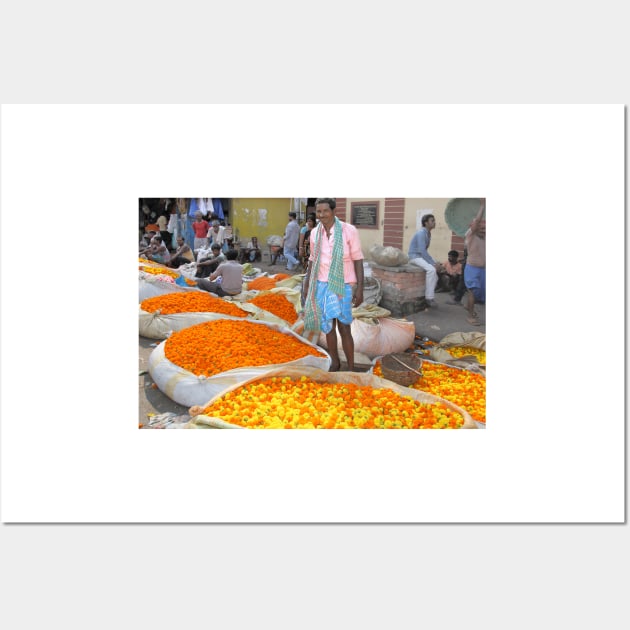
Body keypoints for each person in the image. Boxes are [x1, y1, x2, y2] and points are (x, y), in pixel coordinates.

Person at [302, 198, 365, 372]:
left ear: (334, 211)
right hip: (322, 284)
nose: (322, 215)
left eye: (325, 211)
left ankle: (351, 367)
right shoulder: (315, 233)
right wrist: (308, 282)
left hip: (343, 285)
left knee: (344, 327)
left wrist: (360, 289)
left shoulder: (348, 231)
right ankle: (335, 362)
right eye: (319, 212)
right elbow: (313, 260)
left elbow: (358, 259)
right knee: (328, 327)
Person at [408, 213, 439, 308]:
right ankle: (429, 298)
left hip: (420, 256)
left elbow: (424, 252)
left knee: (436, 274)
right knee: (432, 270)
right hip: (414, 256)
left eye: (434, 220)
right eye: (432, 221)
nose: (434, 222)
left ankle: (427, 292)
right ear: (426, 223)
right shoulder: (421, 233)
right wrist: (432, 263)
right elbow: (422, 250)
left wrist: (435, 263)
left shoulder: (428, 233)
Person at [463, 199, 486, 325]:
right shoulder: (471, 235)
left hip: (484, 270)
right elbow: (476, 222)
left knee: (479, 294)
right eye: (481, 227)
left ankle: (468, 306)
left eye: (485, 228)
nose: (483, 229)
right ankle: (470, 315)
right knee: (472, 291)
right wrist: (482, 206)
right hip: (472, 268)